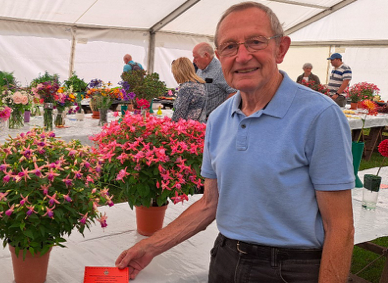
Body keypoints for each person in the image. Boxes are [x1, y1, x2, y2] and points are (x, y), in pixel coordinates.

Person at [115, 2, 354, 282]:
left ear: (281, 48)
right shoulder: (218, 119)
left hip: (291, 267)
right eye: (229, 47)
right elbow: (210, 203)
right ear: (219, 56)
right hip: (226, 258)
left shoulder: (319, 114)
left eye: (255, 42)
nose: (242, 56)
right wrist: (150, 246)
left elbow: (339, 226)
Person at [193, 42, 236, 118]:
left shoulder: (221, 70)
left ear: (206, 55)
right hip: (200, 119)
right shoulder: (200, 69)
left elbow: (233, 92)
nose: (193, 61)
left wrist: (221, 113)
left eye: (196, 57)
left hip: (214, 119)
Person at [170, 57, 206, 122]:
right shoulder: (201, 85)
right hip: (198, 126)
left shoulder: (187, 88)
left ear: (179, 72)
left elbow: (179, 115)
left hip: (186, 127)